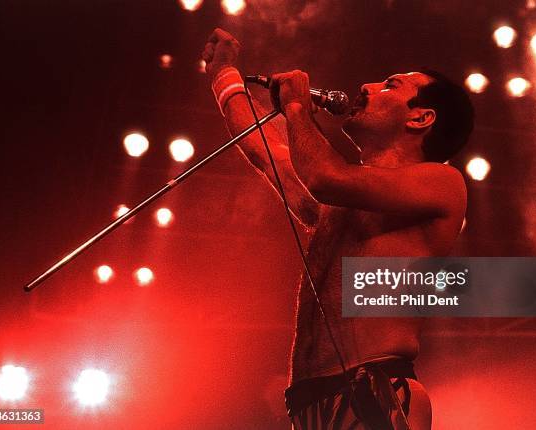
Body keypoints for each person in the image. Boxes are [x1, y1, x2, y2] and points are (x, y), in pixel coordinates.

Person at [202, 28, 474, 429]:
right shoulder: (337, 202)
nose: (366, 87)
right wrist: (223, 72)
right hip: (309, 405)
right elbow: (262, 148)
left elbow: (326, 176)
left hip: (374, 393)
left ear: (421, 117)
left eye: (390, 85)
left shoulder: (442, 184)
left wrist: (296, 107)